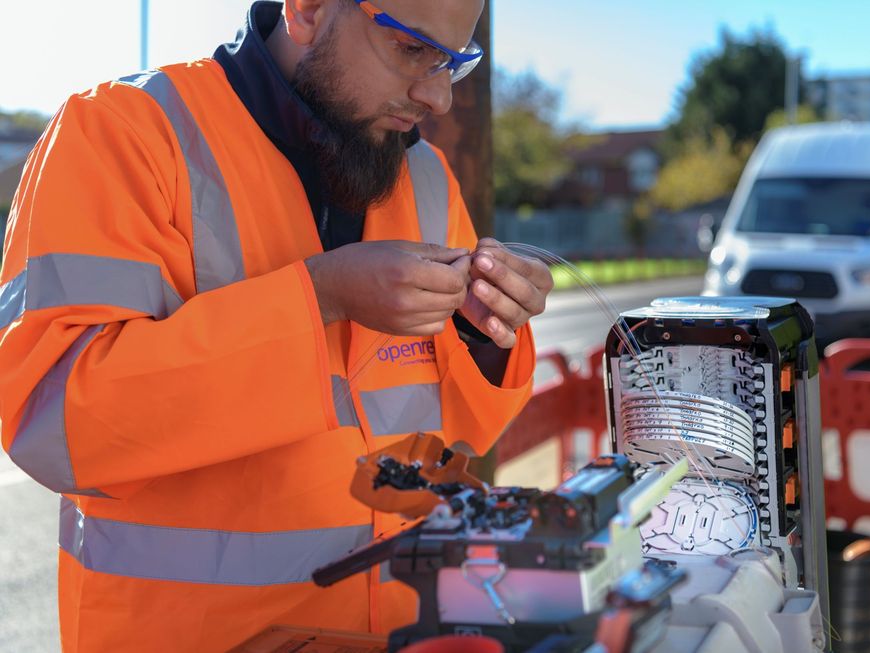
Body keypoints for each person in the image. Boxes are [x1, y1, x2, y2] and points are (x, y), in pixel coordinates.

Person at [0, 0, 553, 650]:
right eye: (413, 51)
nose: (436, 97)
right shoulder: (120, 134)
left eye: (455, 64)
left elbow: (455, 430)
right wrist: (319, 297)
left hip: (402, 632)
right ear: (310, 10)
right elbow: (54, 422)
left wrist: (485, 336)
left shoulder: (423, 175)